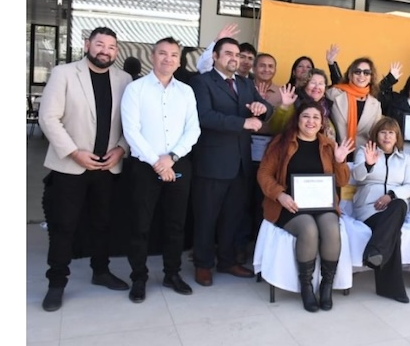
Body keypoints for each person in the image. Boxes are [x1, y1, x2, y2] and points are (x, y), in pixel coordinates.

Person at [38, 27, 131, 313]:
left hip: (108, 166)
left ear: (117, 51)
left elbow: (132, 122)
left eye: (111, 47)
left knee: (102, 224)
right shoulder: (64, 73)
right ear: (88, 44)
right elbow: (48, 117)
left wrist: (121, 149)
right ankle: (56, 283)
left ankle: (100, 271)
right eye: (100, 44)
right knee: (64, 226)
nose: (105, 51)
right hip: (70, 165)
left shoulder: (125, 80)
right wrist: (74, 152)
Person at [120, 36, 201, 303]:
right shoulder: (136, 89)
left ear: (179, 61)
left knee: (175, 224)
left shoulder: (186, 92)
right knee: (140, 225)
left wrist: (171, 158)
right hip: (145, 167)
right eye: (163, 53)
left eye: (174, 55)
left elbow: (193, 130)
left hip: (178, 163)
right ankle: (139, 278)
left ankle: (172, 274)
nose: (168, 59)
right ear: (152, 56)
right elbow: (131, 131)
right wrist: (157, 162)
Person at [191, 36, 270, 285]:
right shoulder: (202, 82)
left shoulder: (245, 84)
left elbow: (267, 108)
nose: (234, 58)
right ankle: (203, 264)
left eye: (237, 54)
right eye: (228, 53)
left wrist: (262, 109)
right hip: (212, 163)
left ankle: (227, 261)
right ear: (215, 57)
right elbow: (205, 116)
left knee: (232, 217)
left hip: (240, 164)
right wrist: (243, 122)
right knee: (207, 217)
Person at [259, 103, 352, 311]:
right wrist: (280, 195)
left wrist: (339, 161)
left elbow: (343, 181)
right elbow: (264, 174)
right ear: (298, 119)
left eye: (316, 117)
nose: (311, 121)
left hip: (322, 204)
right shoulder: (282, 143)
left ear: (322, 123)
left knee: (331, 228)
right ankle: (306, 287)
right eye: (306, 116)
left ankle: (327, 285)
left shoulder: (328, 145)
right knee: (308, 229)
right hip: (289, 205)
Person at [351, 118, 410, 301]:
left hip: (393, 208)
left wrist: (391, 195)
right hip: (369, 209)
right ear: (376, 135)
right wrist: (368, 164)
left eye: (391, 133)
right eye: (383, 132)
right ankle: (392, 289)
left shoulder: (405, 158)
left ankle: (375, 250)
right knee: (393, 232)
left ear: (397, 137)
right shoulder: (365, 151)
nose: (387, 136)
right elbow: (357, 176)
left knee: (400, 204)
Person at [328, 58, 383, 152]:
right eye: (357, 72)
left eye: (366, 72)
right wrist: (331, 63)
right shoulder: (335, 94)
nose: (362, 75)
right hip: (336, 152)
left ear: (371, 77)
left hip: (362, 155)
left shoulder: (375, 105)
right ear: (350, 75)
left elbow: (376, 134)